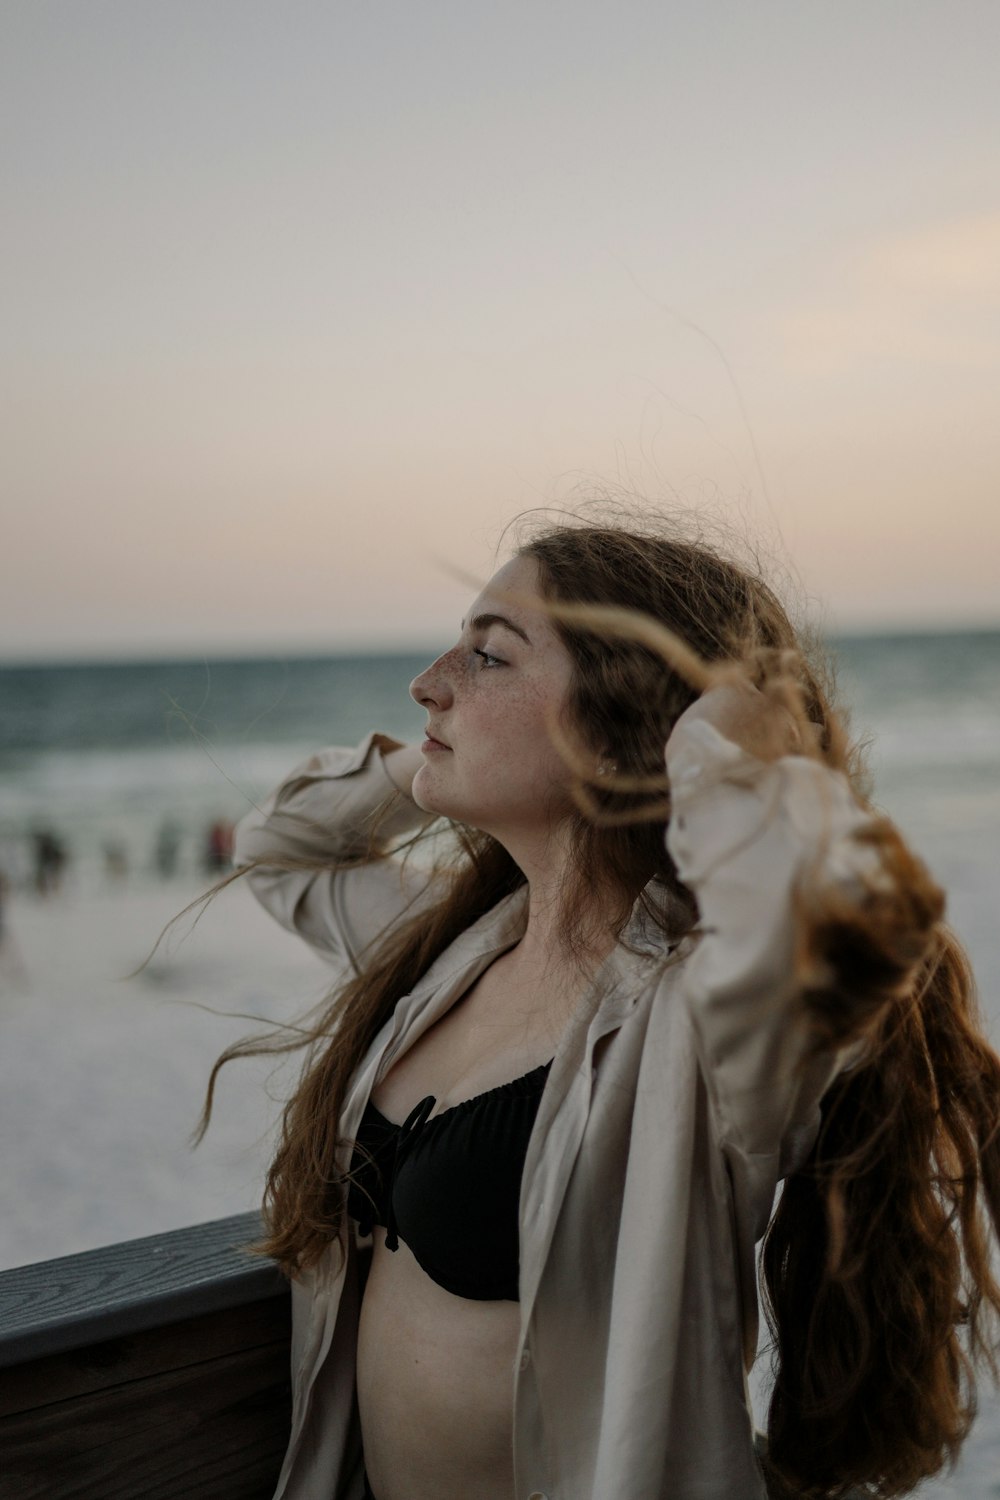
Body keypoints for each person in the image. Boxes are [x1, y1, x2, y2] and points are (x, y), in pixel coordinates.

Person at [210, 516, 1000, 1500]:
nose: (429, 681)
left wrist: (714, 741)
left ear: (628, 718)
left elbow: (835, 929)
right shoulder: (449, 952)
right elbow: (278, 844)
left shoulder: (699, 1022)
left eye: (488, 655)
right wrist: (430, 766)